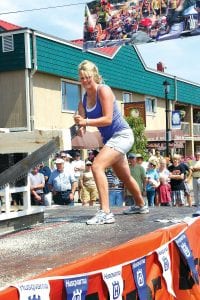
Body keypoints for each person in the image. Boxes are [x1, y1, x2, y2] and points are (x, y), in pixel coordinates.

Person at [74, 60, 149, 225]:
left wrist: (85, 122)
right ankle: (141, 205)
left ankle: (105, 213)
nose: (85, 81)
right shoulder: (84, 99)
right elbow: (82, 124)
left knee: (97, 166)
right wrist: (81, 127)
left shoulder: (104, 90)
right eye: (81, 78)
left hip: (122, 135)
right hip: (110, 139)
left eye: (87, 77)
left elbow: (107, 119)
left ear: (94, 75)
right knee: (124, 176)